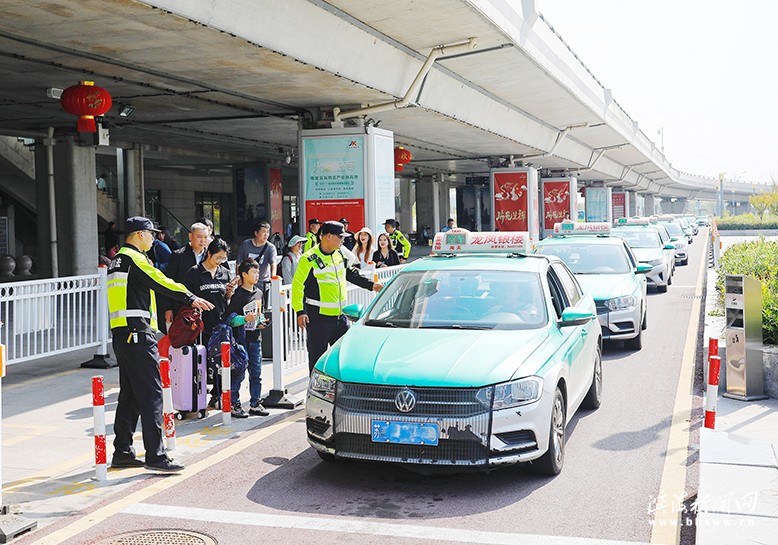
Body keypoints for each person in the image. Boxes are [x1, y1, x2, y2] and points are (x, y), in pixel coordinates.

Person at [108, 216, 214, 473]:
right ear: (139, 234)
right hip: (137, 333)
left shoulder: (116, 261)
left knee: (131, 394)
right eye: (150, 233)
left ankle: (122, 451)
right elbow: (160, 280)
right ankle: (156, 456)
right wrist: (189, 297)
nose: (154, 238)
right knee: (152, 394)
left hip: (123, 334)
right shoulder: (135, 259)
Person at [292, 221, 383, 372]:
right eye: (340, 237)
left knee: (343, 358)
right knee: (317, 361)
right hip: (317, 319)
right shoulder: (309, 258)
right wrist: (300, 312)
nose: (343, 240)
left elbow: (351, 274)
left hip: (340, 318)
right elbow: (298, 286)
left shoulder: (340, 254)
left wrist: (372, 285)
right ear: (328, 236)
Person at [183, 238, 237, 409]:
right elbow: (186, 297)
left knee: (221, 362)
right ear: (209, 254)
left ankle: (217, 394)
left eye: (223, 259)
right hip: (200, 326)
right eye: (217, 258)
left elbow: (228, 300)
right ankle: (198, 395)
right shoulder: (194, 272)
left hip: (221, 325)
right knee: (202, 362)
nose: (220, 261)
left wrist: (229, 292)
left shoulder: (225, 273)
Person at [227, 258, 270, 418]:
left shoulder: (259, 292)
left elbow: (260, 313)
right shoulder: (238, 295)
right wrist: (244, 319)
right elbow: (230, 319)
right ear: (244, 274)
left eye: (258, 271)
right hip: (240, 341)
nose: (257, 275)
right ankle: (234, 404)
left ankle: (255, 403)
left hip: (256, 338)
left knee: (256, 372)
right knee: (239, 373)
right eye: (254, 272)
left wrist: (261, 322)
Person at [163, 222, 211, 328]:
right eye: (199, 237)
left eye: (205, 237)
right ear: (190, 236)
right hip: (183, 307)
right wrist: (168, 308)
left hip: (206, 308)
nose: (203, 241)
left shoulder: (210, 256)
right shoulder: (178, 256)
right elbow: (169, 282)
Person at [235, 221, 278, 305]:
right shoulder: (246, 245)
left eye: (268, 232)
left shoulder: (270, 247)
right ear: (256, 233)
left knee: (260, 307)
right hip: (246, 283)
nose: (266, 235)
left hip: (262, 283)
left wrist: (273, 277)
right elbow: (239, 264)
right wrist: (240, 280)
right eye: (263, 232)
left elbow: (273, 263)